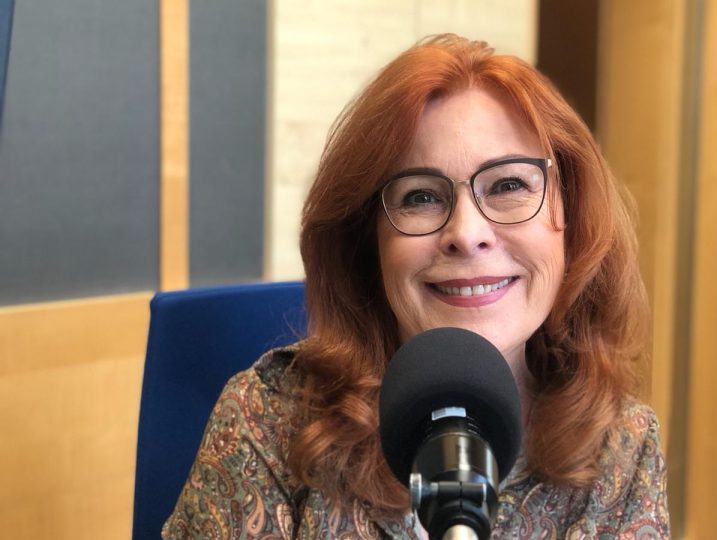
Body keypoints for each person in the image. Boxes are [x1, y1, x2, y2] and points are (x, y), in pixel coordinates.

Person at [163, 34, 669, 539]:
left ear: (572, 215)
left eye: (509, 185)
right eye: (421, 196)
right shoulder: (268, 422)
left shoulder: (622, 446)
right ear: (368, 240)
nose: (467, 234)